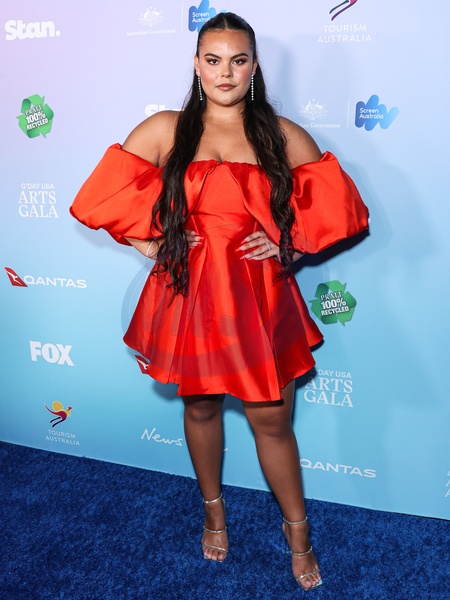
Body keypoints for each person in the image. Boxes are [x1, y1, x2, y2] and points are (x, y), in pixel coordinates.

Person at [70, 12, 368, 591]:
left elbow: (339, 210)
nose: (225, 72)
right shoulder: (166, 129)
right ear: (196, 64)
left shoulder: (281, 134)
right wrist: (152, 244)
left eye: (238, 60)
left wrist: (288, 247)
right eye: (213, 59)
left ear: (254, 66)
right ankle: (213, 513)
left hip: (260, 296)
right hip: (192, 295)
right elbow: (99, 197)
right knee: (201, 408)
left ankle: (298, 533)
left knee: (272, 419)